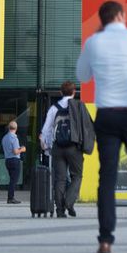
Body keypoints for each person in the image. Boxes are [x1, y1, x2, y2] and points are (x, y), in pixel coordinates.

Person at [76, 0, 127, 253]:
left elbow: (82, 76)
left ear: (101, 20)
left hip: (107, 117)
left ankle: (105, 239)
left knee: (107, 177)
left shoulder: (93, 42)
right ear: (122, 15)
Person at [40, 81, 95, 218]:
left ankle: (60, 210)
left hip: (57, 148)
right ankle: (69, 202)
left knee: (60, 179)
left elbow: (46, 129)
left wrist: (46, 146)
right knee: (77, 175)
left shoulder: (54, 108)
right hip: (74, 147)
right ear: (74, 92)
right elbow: (88, 127)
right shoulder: (79, 106)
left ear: (60, 92)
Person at [2, 121, 26, 204]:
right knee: (13, 180)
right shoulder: (14, 138)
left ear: (9, 127)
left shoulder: (4, 138)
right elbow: (16, 151)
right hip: (14, 160)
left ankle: (10, 196)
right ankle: (10, 197)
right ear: (16, 128)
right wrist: (22, 149)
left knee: (12, 179)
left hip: (7, 160)